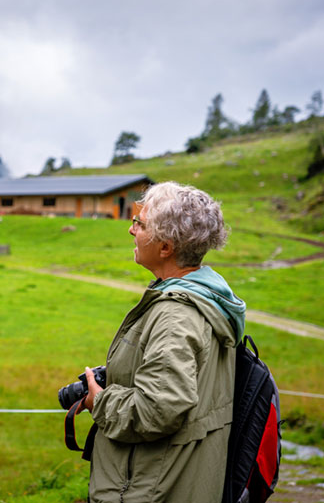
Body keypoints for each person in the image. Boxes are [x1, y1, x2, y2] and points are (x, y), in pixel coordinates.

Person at [83, 181, 245, 503]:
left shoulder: (175, 317)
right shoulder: (208, 297)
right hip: (180, 482)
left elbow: (158, 409)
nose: (131, 231)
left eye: (139, 224)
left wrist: (98, 402)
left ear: (166, 247)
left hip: (151, 489)